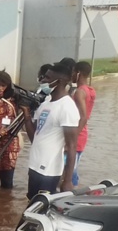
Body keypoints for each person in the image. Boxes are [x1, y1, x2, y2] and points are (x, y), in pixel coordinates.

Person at [22, 63, 80, 198]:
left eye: (47, 78)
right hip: (34, 165)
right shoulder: (45, 103)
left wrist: (67, 180)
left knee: (42, 209)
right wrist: (26, 114)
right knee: (31, 203)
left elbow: (72, 146)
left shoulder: (67, 107)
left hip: (49, 170)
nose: (42, 81)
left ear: (58, 81)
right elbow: (35, 137)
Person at [70, 61, 96, 186]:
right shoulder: (90, 90)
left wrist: (72, 137)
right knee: (73, 166)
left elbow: (83, 117)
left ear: (78, 73)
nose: (72, 75)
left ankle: (71, 194)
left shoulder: (80, 92)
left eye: (73, 72)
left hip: (77, 134)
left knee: (70, 170)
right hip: (82, 133)